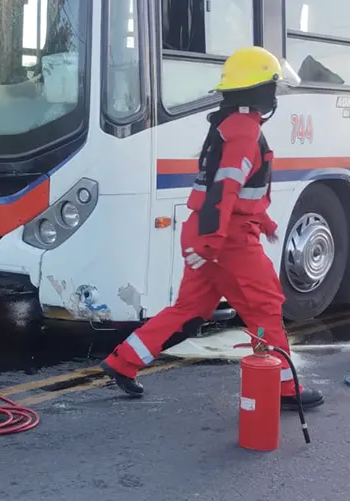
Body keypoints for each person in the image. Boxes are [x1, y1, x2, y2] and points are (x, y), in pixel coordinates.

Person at [101, 46, 324, 411]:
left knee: (189, 311)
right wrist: (212, 243)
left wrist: (261, 222)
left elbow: (231, 191)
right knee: (265, 307)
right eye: (273, 86)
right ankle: (283, 387)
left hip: (210, 234)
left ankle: (123, 361)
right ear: (260, 91)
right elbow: (224, 190)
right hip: (227, 240)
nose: (276, 94)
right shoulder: (244, 133)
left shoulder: (230, 126)